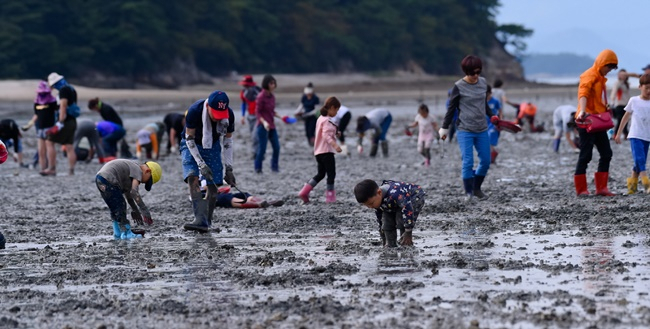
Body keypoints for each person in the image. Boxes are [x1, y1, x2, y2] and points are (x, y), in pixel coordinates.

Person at [439, 55, 496, 201]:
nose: (476, 76)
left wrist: (492, 116)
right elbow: (451, 109)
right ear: (466, 71)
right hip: (464, 129)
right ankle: (468, 192)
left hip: (482, 128)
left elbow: (484, 104)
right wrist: (444, 128)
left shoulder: (482, 83)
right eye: (472, 73)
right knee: (468, 161)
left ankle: (477, 188)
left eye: (478, 72)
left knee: (485, 160)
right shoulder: (458, 86)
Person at [180, 90, 237, 233]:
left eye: (221, 115)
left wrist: (229, 169)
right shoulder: (195, 110)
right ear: (208, 107)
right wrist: (201, 164)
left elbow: (228, 141)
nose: (218, 119)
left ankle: (207, 221)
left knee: (214, 183)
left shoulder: (229, 115)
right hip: (191, 143)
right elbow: (189, 139)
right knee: (192, 176)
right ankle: (199, 219)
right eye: (215, 114)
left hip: (213, 144)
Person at [574, 49, 619, 196]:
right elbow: (583, 93)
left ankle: (601, 188)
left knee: (606, 153)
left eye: (611, 69)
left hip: (599, 121)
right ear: (602, 63)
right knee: (585, 155)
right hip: (586, 120)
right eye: (608, 67)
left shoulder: (600, 78)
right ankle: (581, 190)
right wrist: (582, 110)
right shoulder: (589, 75)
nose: (609, 71)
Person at [95, 159, 161, 240]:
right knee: (121, 206)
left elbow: (129, 195)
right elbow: (134, 192)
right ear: (147, 171)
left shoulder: (130, 172)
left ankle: (117, 232)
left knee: (114, 208)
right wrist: (144, 209)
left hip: (100, 178)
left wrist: (135, 210)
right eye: (147, 181)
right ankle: (127, 232)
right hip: (109, 178)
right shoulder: (138, 170)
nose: (143, 183)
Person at [354, 179, 426, 248]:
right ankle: (390, 244)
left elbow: (407, 209)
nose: (370, 207)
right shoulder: (377, 201)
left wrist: (408, 231)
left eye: (371, 203)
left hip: (414, 196)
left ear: (379, 192)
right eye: (367, 205)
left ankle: (406, 243)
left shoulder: (396, 194)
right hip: (393, 202)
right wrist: (383, 237)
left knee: (401, 217)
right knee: (387, 221)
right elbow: (381, 220)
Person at [297, 97, 343, 204]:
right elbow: (326, 135)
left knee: (321, 174)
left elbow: (325, 132)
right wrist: (335, 145)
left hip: (318, 152)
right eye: (336, 110)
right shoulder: (327, 120)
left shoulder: (321, 118)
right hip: (327, 152)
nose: (336, 113)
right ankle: (330, 197)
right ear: (332, 108)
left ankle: (304, 191)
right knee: (331, 174)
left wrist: (336, 134)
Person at [614, 74, 650, 194]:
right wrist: (618, 133)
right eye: (647, 88)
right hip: (635, 135)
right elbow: (625, 118)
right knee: (640, 159)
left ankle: (632, 188)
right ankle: (646, 183)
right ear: (640, 87)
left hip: (647, 136)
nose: (649, 91)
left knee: (639, 162)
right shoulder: (634, 100)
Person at [44, 72, 78, 176]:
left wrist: (60, 122)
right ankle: (71, 170)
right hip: (72, 121)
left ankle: (52, 168)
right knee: (69, 146)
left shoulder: (63, 90)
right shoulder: (71, 89)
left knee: (49, 141)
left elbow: (63, 106)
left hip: (65, 121)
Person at [23, 81, 58, 171]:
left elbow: (57, 112)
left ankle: (51, 168)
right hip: (40, 128)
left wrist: (58, 125)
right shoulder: (37, 102)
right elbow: (36, 114)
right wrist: (30, 124)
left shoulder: (52, 101)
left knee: (49, 148)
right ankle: (43, 169)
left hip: (49, 127)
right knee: (41, 151)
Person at [255, 74, 282, 173]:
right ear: (266, 84)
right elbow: (257, 112)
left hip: (272, 126)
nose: (273, 85)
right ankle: (258, 168)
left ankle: (274, 167)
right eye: (271, 83)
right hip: (262, 126)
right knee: (262, 149)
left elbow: (272, 111)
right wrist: (264, 122)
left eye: (274, 83)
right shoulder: (260, 96)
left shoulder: (272, 96)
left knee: (277, 147)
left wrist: (281, 117)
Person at [238, 75, 262, 158]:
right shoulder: (243, 92)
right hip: (250, 116)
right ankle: (257, 152)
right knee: (253, 135)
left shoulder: (259, 91)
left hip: (259, 116)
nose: (245, 86)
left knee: (255, 135)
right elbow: (243, 104)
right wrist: (243, 116)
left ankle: (256, 153)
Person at [214, 186, 284, 209]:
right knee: (225, 197)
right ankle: (258, 204)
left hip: (218, 191)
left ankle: (265, 202)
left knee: (244, 194)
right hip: (208, 195)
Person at [296, 82, 320, 146]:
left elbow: (316, 110)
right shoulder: (304, 97)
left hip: (313, 117)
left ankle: (315, 145)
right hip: (306, 117)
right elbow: (301, 106)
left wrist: (308, 114)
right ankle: (311, 144)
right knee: (307, 132)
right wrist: (296, 112)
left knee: (311, 131)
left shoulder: (315, 98)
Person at [609, 69, 631, 139]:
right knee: (620, 120)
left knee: (626, 120)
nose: (622, 76)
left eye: (624, 74)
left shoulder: (626, 83)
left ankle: (625, 133)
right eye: (621, 74)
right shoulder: (618, 83)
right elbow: (614, 92)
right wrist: (612, 101)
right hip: (619, 105)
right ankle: (616, 134)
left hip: (626, 104)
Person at [486, 85, 502, 164]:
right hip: (484, 123)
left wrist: (500, 121)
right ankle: (492, 154)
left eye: (488, 94)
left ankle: (493, 154)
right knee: (485, 140)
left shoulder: (495, 101)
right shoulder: (482, 101)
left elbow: (500, 111)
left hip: (493, 123)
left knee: (490, 139)